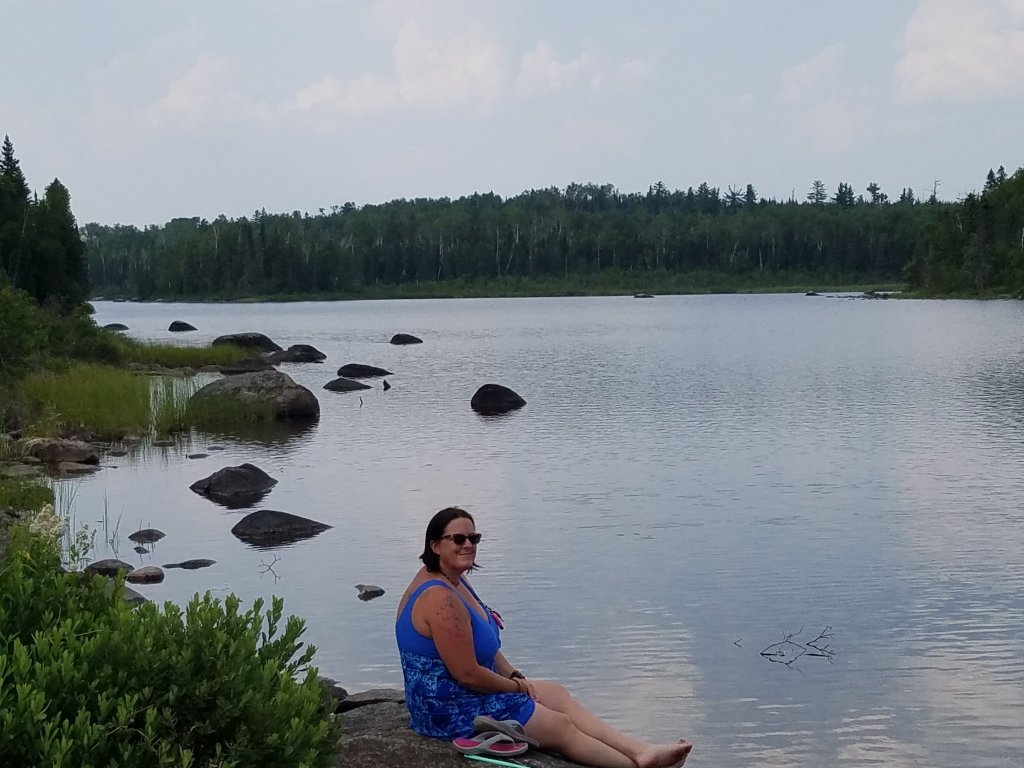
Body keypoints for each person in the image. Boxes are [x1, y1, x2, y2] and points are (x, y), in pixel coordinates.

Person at [395, 506, 694, 768]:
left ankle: (640, 752)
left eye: (474, 538)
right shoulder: (440, 599)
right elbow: (468, 675)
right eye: (458, 539)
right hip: (449, 711)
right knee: (559, 726)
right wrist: (515, 688)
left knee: (556, 694)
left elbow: (483, 646)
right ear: (435, 545)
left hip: (466, 694)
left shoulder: (453, 580)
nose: (468, 545)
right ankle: (634, 766)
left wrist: (514, 674)